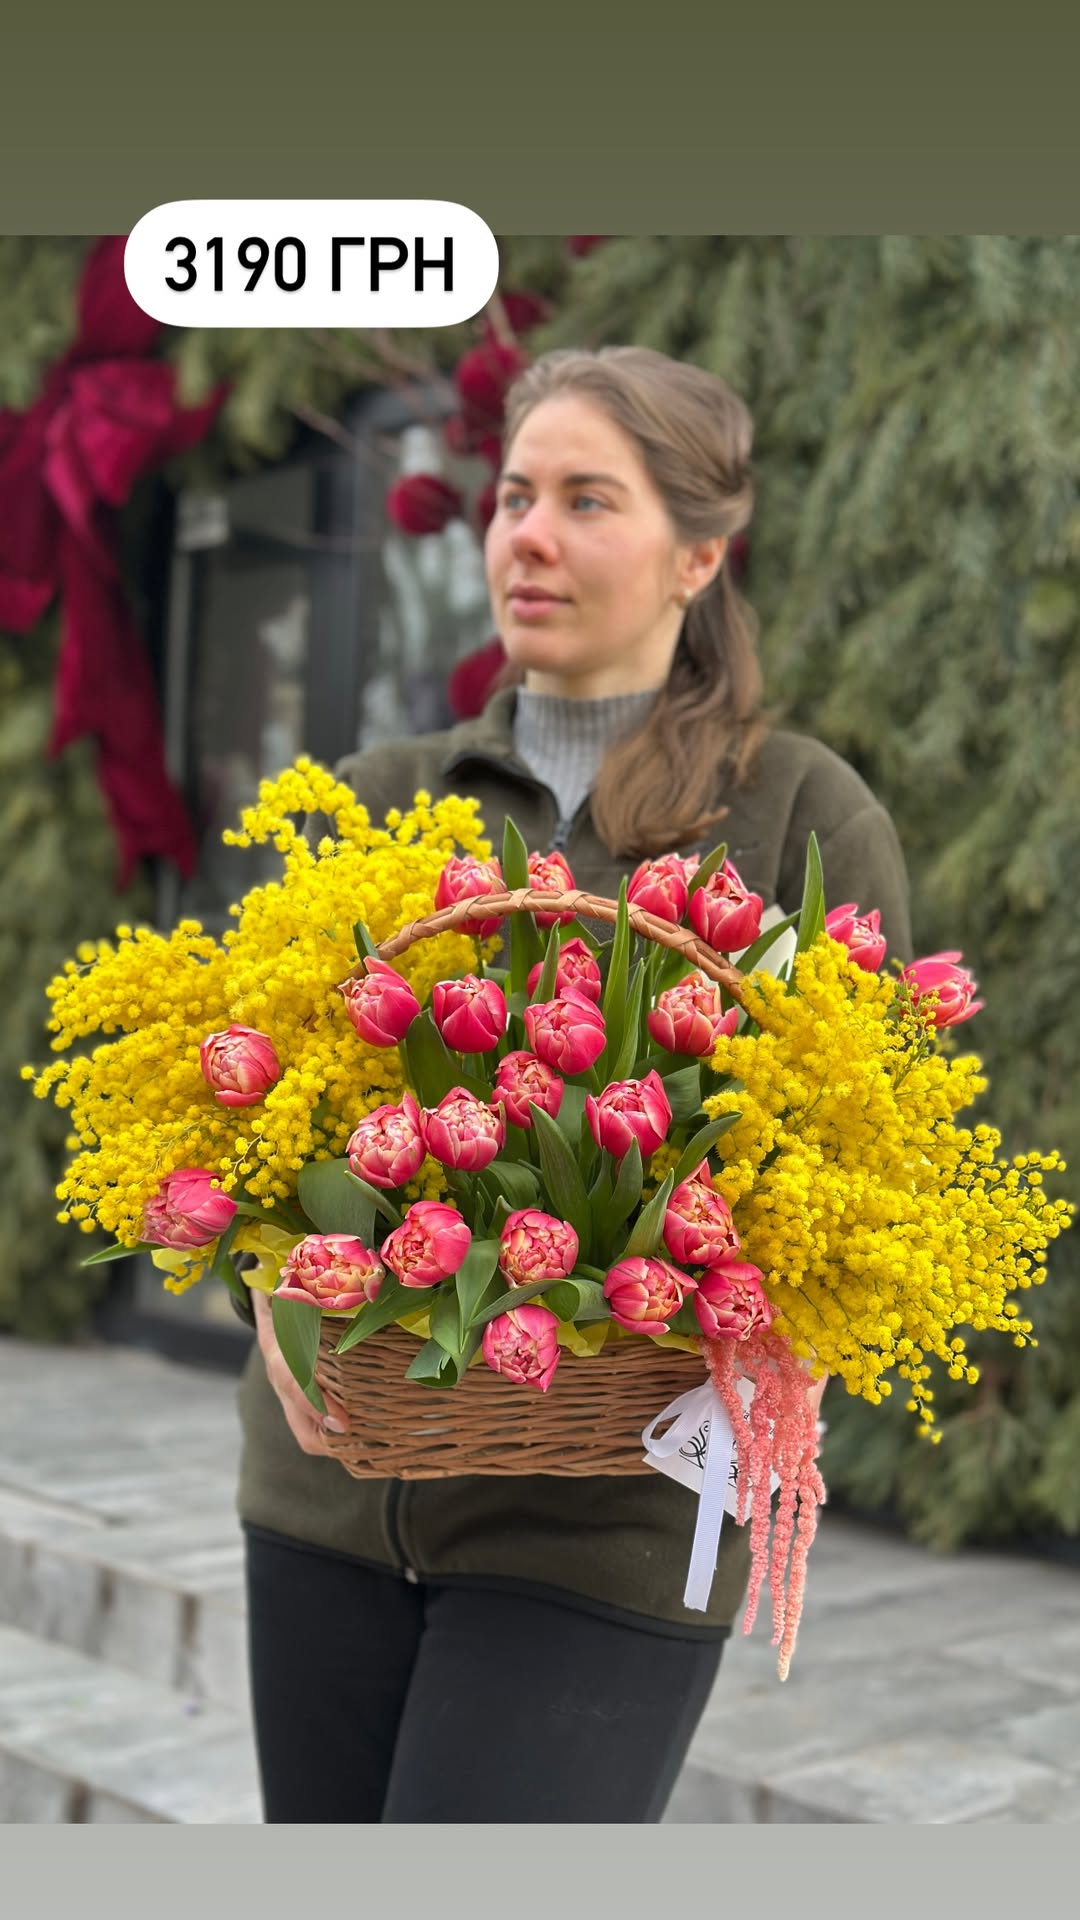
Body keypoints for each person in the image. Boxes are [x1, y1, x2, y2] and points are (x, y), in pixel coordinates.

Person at [235, 346, 913, 1824]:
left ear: (700, 554)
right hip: (325, 1505)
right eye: (513, 497)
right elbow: (249, 1137)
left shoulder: (794, 814)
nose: (527, 536)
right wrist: (270, 1302)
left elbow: (868, 1179)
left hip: (606, 1535)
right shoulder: (383, 793)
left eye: (587, 501)